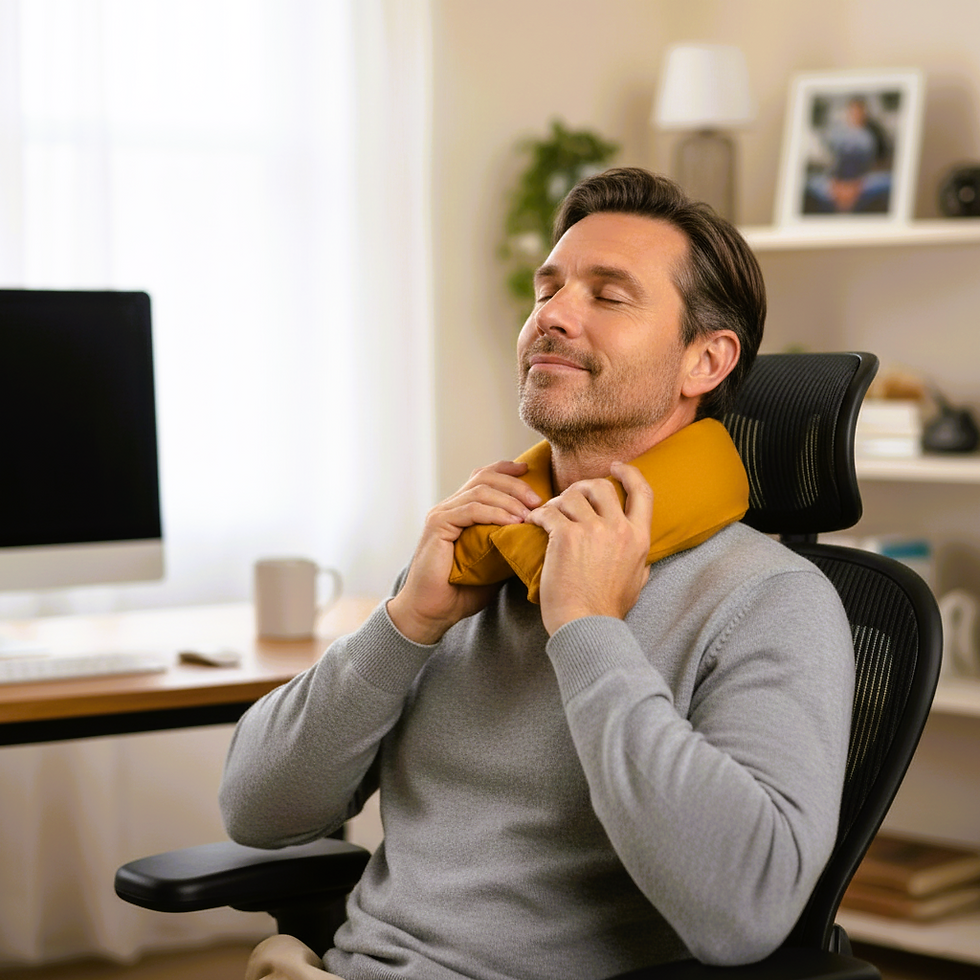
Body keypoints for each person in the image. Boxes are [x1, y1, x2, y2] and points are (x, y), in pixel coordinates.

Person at [221, 168, 855, 980]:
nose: (551, 315)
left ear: (706, 360)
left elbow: (746, 913)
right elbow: (257, 810)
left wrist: (589, 629)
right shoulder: (480, 558)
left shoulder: (766, 599)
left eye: (608, 295)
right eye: (547, 288)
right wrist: (405, 626)